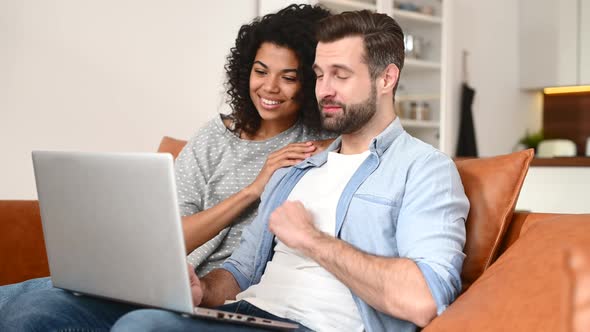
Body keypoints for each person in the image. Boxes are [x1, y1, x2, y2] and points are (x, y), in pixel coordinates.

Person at [3, 9, 470, 332]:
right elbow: (243, 268)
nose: (324, 89)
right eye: (319, 73)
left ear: (386, 78)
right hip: (246, 313)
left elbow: (423, 299)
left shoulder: (424, 169)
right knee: (27, 309)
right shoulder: (300, 166)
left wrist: (312, 240)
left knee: (143, 326)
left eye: (340, 76)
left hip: (311, 325)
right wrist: (202, 290)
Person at [0, 2, 332, 318]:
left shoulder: (311, 146)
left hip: (213, 295)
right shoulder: (214, 136)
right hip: (153, 280)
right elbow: (171, 238)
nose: (270, 87)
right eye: (261, 71)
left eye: (288, 77)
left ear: (309, 81)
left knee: (33, 310)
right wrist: (252, 190)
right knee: (15, 298)